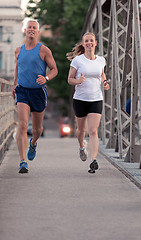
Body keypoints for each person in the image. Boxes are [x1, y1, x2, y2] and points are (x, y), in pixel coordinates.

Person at [12, 19, 58, 173]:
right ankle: (23, 161)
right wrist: (14, 85)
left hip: (38, 92)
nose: (31, 29)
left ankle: (33, 143)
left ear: (38, 32)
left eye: (34, 28)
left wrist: (46, 78)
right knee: (23, 125)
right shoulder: (18, 50)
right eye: (29, 27)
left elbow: (54, 69)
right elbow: (18, 67)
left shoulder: (44, 50)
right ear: (25, 30)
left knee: (37, 129)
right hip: (22, 91)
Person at [67, 32, 110, 174]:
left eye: (91, 41)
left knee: (93, 131)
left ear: (95, 43)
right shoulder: (78, 61)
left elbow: (101, 74)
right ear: (83, 43)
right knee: (81, 130)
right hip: (80, 99)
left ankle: (93, 160)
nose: (89, 43)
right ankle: (81, 147)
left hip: (96, 99)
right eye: (86, 41)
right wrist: (78, 81)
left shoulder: (101, 60)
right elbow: (70, 79)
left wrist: (105, 82)